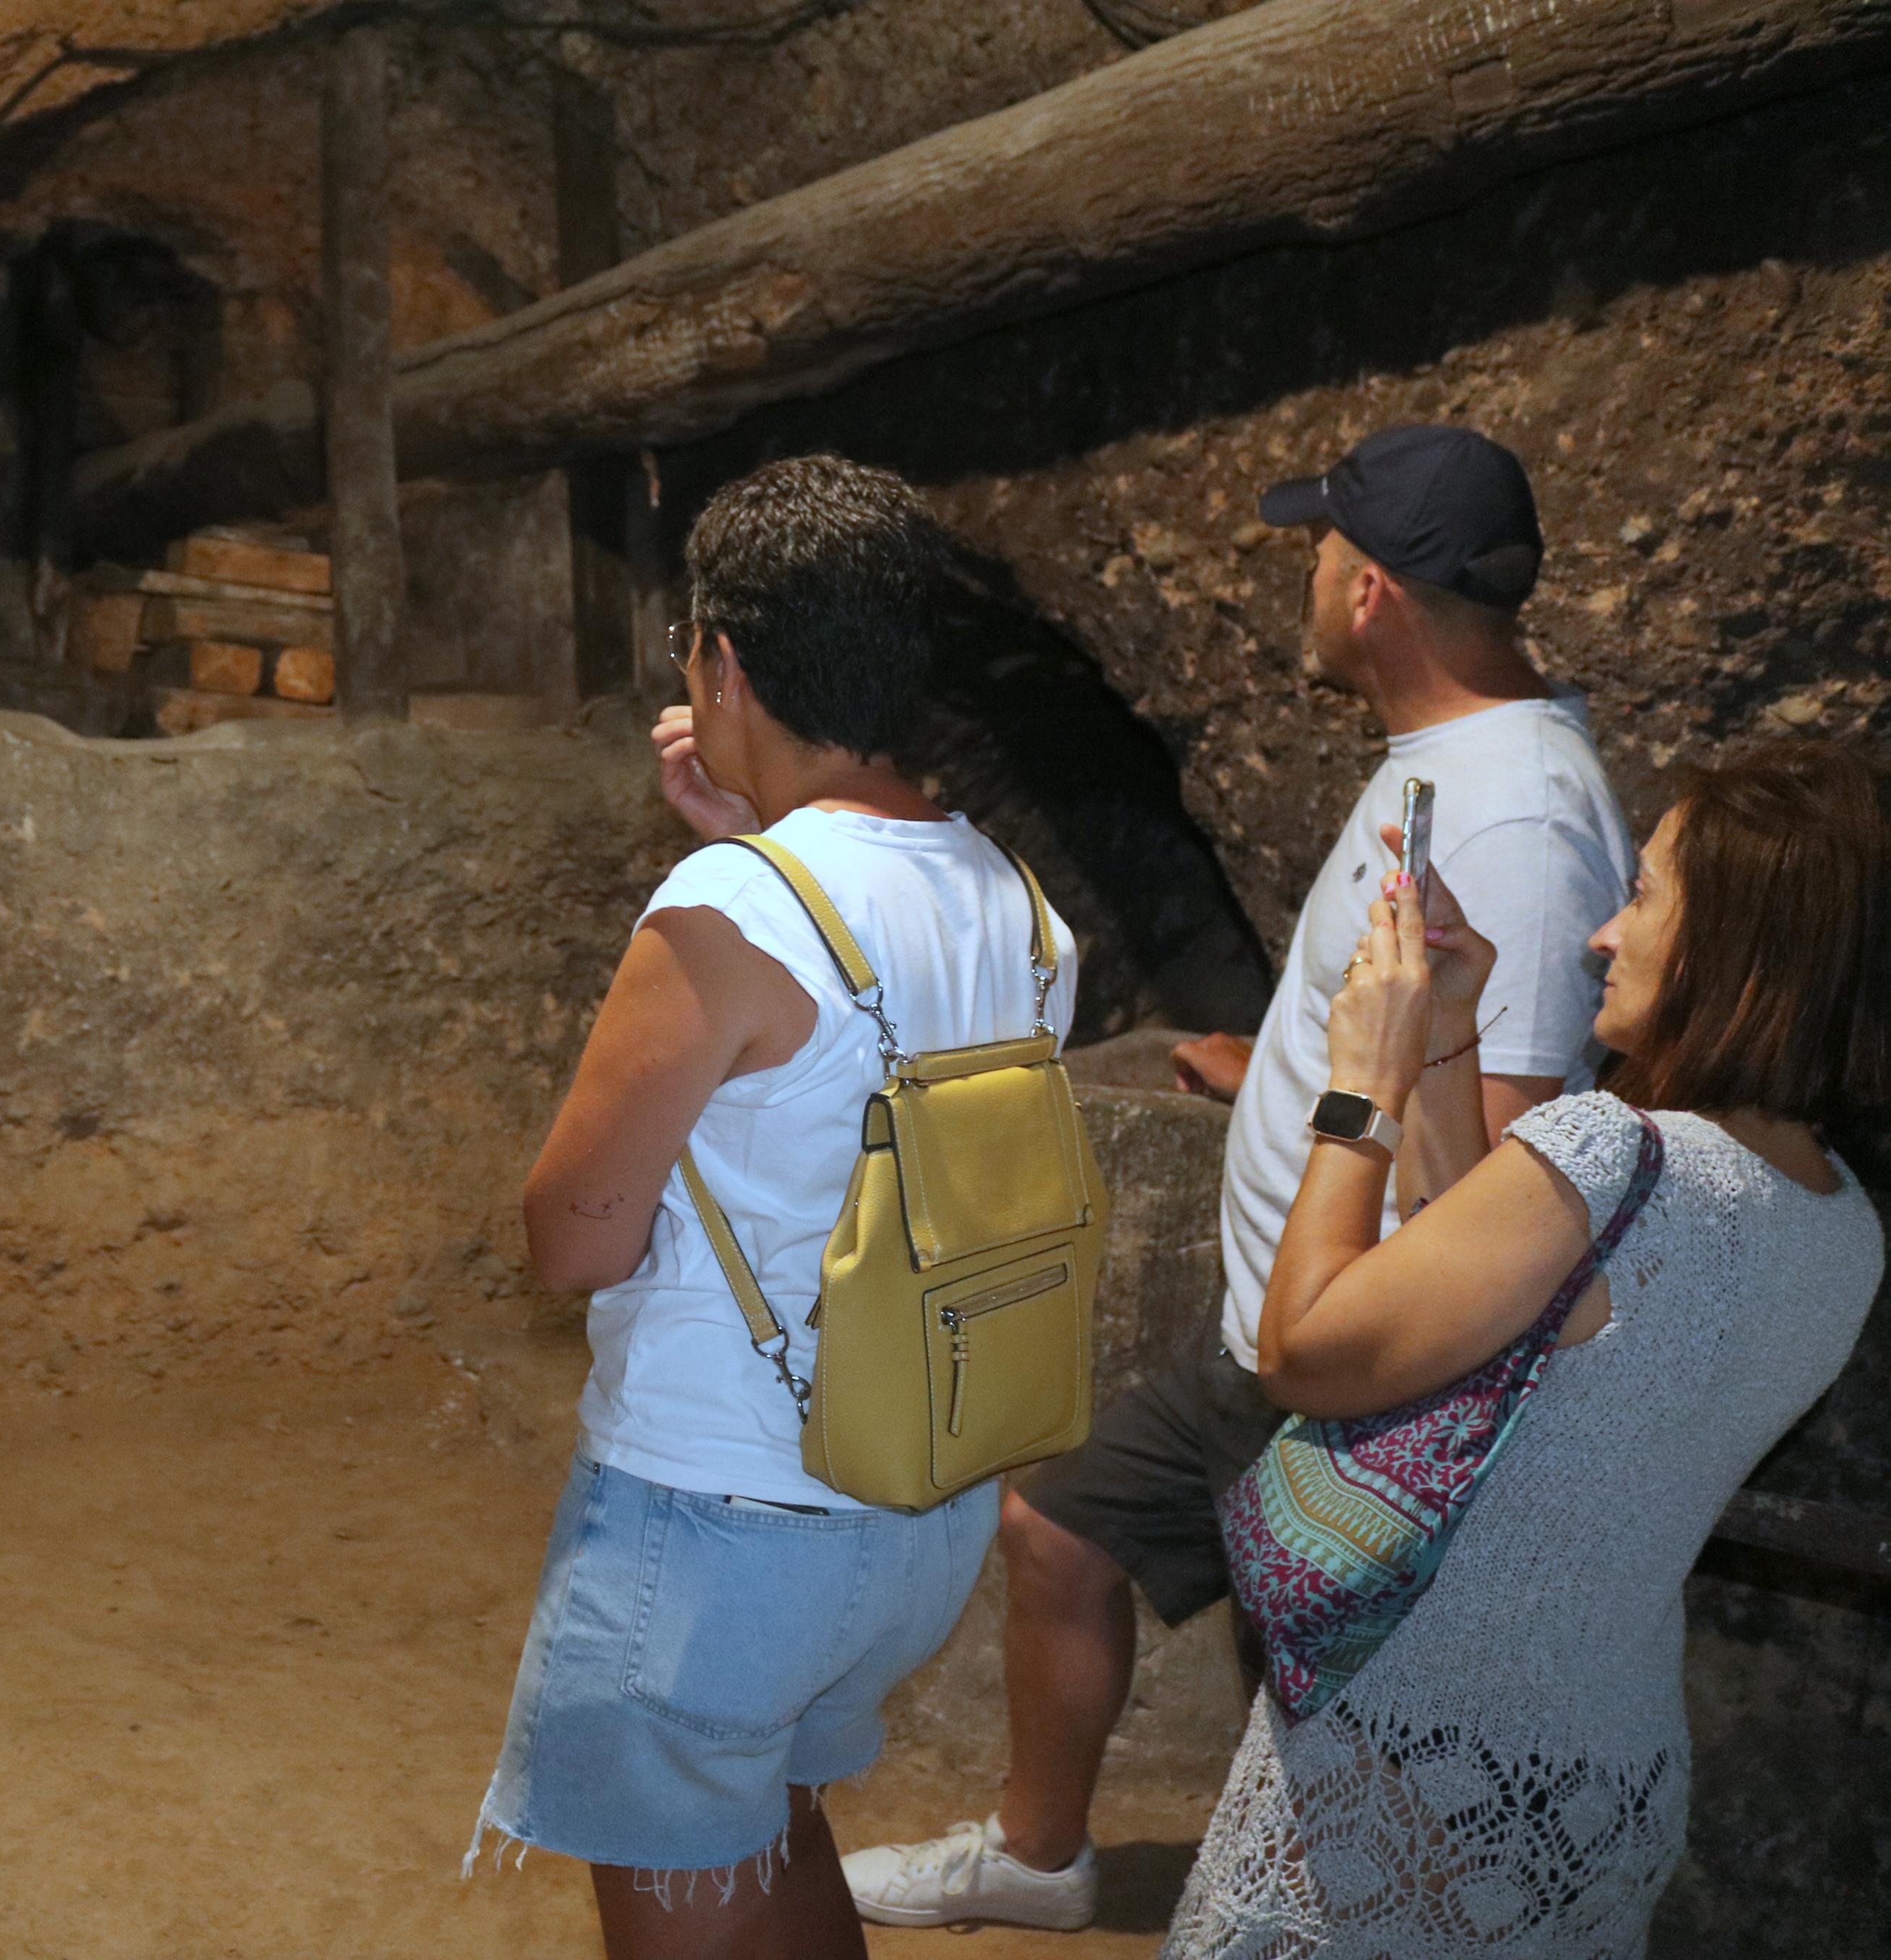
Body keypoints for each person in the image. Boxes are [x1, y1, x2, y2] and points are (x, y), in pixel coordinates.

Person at [847, 426, 1634, 1931]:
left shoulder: (1520, 813)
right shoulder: (1449, 766)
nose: (1312, 570)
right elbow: (1400, 997)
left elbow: (1520, 1158)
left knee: (1328, 1691)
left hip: (1368, 1351)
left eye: (1326, 547)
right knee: (1061, 1528)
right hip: (1284, 1327)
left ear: (1374, 596)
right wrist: (1266, 1054)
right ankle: (1039, 1854)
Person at [475, 455, 1077, 1959]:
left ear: (724, 660)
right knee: (778, 1837)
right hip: (910, 1505)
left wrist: (730, 868)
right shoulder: (1012, 890)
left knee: (685, 1898)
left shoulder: (737, 911)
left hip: (720, 1524)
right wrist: (735, 836)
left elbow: (575, 1233)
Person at [1166, 740, 1887, 1955]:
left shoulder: (1620, 1154)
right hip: (1600, 1779)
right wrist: (1452, 1034)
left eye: (1648, 895)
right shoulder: (1842, 1222)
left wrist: (1364, 1087)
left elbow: (1300, 1348)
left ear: (1746, 945)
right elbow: (1501, 1306)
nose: (1606, 933)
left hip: (1408, 1761)